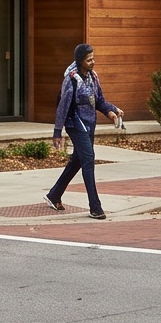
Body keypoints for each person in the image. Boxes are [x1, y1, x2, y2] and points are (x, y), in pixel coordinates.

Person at [47, 43, 120, 220]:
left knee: (78, 160)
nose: (93, 62)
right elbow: (63, 106)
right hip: (75, 124)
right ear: (80, 61)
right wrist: (57, 132)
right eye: (89, 60)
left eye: (93, 59)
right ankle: (95, 207)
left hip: (89, 124)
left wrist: (111, 111)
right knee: (88, 159)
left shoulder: (93, 77)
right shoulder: (71, 79)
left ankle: (54, 195)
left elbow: (99, 100)